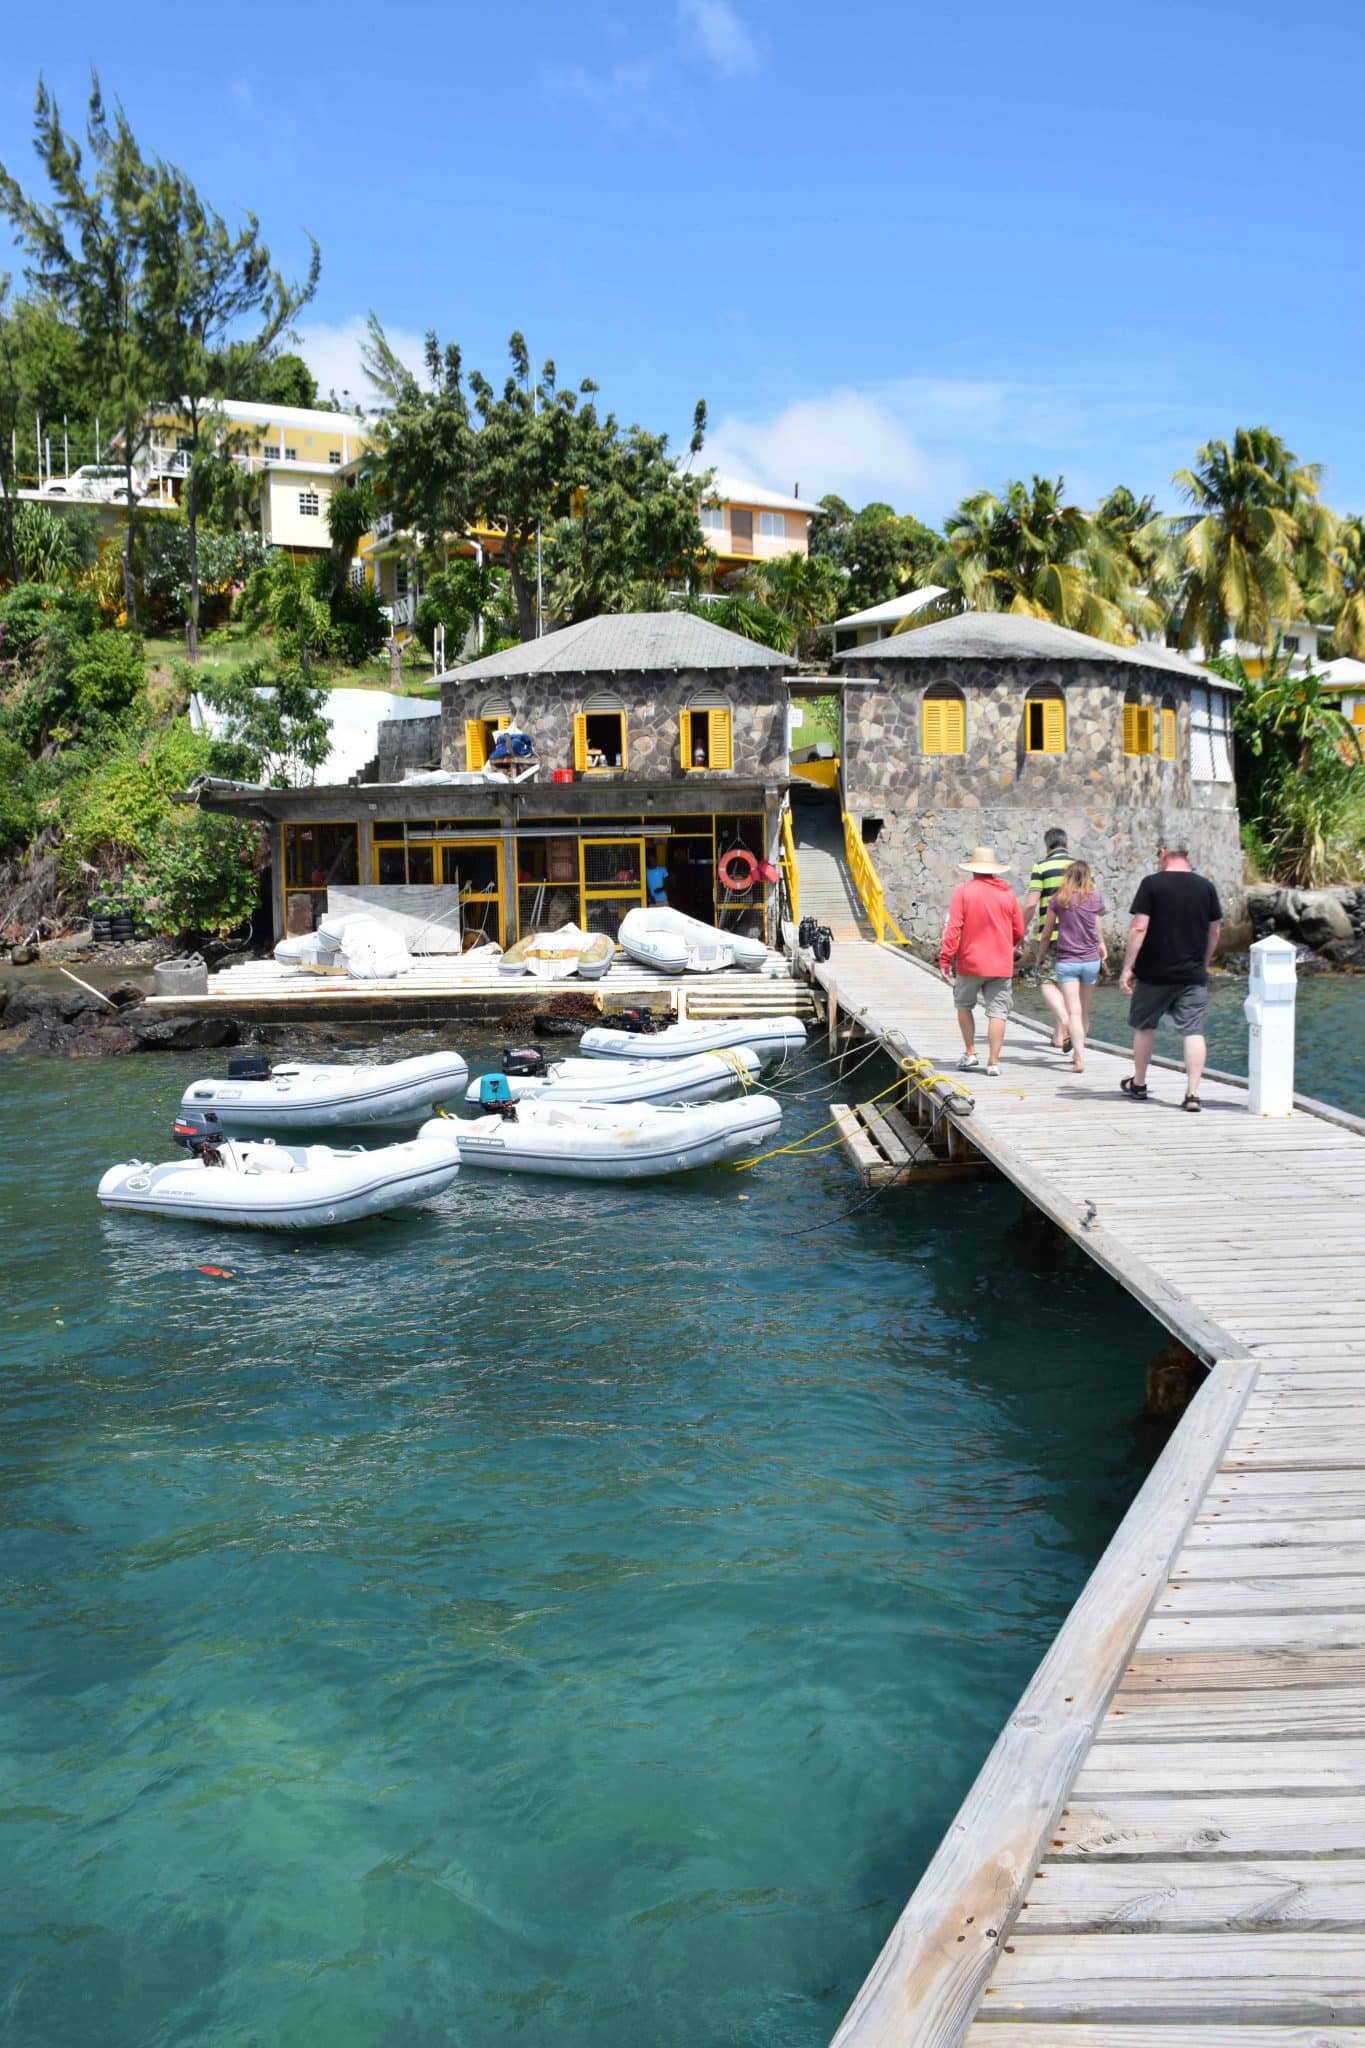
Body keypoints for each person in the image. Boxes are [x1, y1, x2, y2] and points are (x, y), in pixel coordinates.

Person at [1118, 836, 1222, 1111]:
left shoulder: (1152, 884)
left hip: (1153, 972)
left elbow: (1139, 927)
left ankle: (1139, 1084)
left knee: (1145, 1026)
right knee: (1193, 1030)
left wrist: (1127, 968)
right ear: (1186, 854)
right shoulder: (1206, 887)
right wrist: (1204, 961)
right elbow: (1215, 930)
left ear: (1164, 854)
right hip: (1192, 974)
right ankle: (1193, 1094)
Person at [938, 845, 1025, 1076]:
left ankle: (970, 1052)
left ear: (973, 869)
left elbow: (953, 928)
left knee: (964, 1006)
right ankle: (993, 1062)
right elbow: (1019, 929)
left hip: (970, 962)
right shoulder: (1007, 893)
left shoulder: (963, 891)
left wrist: (945, 958)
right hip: (1001, 964)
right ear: (994, 870)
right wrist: (1009, 944)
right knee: (998, 1012)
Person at [1039, 861, 1107, 1074]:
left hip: (1067, 961)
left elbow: (1047, 932)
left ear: (1067, 876)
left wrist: (1041, 955)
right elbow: (1097, 925)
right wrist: (1101, 944)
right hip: (1090, 961)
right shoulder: (1095, 897)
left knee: (1073, 1013)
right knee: (1083, 1011)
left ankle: (1079, 1060)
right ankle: (1078, 1053)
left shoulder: (1059, 899)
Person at [1022, 826, 1074, 1050]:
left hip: (1051, 934)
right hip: (1077, 937)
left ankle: (1067, 1022)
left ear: (1047, 845)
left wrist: (1020, 930)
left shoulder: (1041, 866)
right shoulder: (1078, 868)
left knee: (1046, 981)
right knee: (1064, 985)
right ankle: (1058, 1037)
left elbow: (1032, 903)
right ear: (1065, 843)